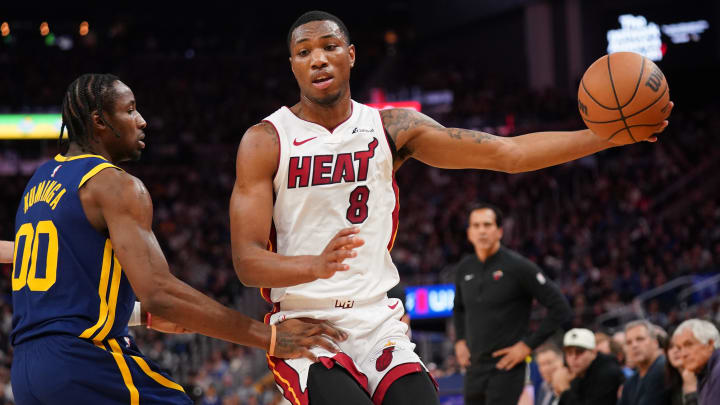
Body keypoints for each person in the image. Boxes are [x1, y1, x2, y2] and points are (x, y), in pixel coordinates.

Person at [228, 10, 672, 405]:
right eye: (304, 52)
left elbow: (507, 155)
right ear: (293, 66)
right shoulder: (265, 140)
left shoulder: (391, 127)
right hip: (305, 325)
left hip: (375, 317)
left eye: (328, 46)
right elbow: (248, 263)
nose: (318, 58)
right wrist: (315, 265)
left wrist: (606, 136)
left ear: (351, 54)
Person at [10, 73, 346, 405]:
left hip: (27, 373)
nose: (141, 121)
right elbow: (161, 293)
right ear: (99, 121)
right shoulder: (113, 185)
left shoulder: (37, 184)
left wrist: (141, 316)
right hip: (81, 362)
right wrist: (270, 337)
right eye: (129, 111)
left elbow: (64, 292)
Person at [452, 203, 572, 405]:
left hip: (507, 366)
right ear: (469, 233)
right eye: (476, 225)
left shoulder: (518, 266)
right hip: (474, 367)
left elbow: (560, 307)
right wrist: (460, 340)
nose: (482, 230)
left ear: (499, 231)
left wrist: (527, 346)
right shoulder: (464, 268)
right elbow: (458, 308)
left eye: (487, 225)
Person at [552, 328, 624, 405]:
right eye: (569, 353)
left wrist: (564, 390)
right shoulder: (581, 374)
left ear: (593, 352)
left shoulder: (608, 373)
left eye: (579, 352)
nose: (573, 358)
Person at [618, 320, 671, 405]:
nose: (634, 345)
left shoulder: (666, 369)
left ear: (655, 343)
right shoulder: (630, 382)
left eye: (640, 339)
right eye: (629, 342)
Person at [672, 319, 720, 403]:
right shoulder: (703, 373)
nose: (683, 354)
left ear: (710, 344)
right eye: (679, 348)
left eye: (689, 344)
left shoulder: (718, 372)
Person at [665, 331, 698, 405]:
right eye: (670, 347)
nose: (675, 351)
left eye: (679, 346)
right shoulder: (671, 384)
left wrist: (691, 390)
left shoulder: (708, 378)